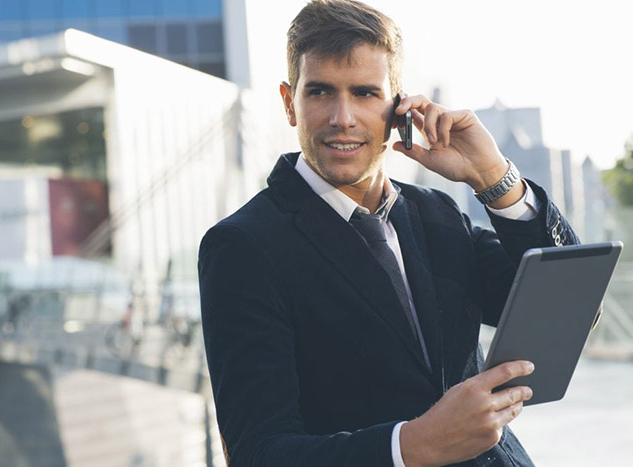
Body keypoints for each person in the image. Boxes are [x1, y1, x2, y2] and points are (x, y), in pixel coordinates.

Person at [198, 1, 578, 465]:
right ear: (288, 102)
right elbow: (259, 453)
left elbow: (571, 310)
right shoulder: (243, 247)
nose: (343, 117)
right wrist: (414, 444)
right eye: (319, 92)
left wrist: (494, 178)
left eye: (364, 93)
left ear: (399, 105)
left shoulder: (437, 215)